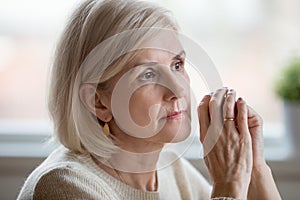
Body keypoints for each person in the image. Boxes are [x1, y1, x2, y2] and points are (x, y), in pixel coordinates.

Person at [17, 0, 282, 199]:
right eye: (147, 74)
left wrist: (254, 169)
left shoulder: (172, 170)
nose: (178, 89)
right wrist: (229, 182)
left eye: (177, 64)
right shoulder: (62, 187)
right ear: (99, 102)